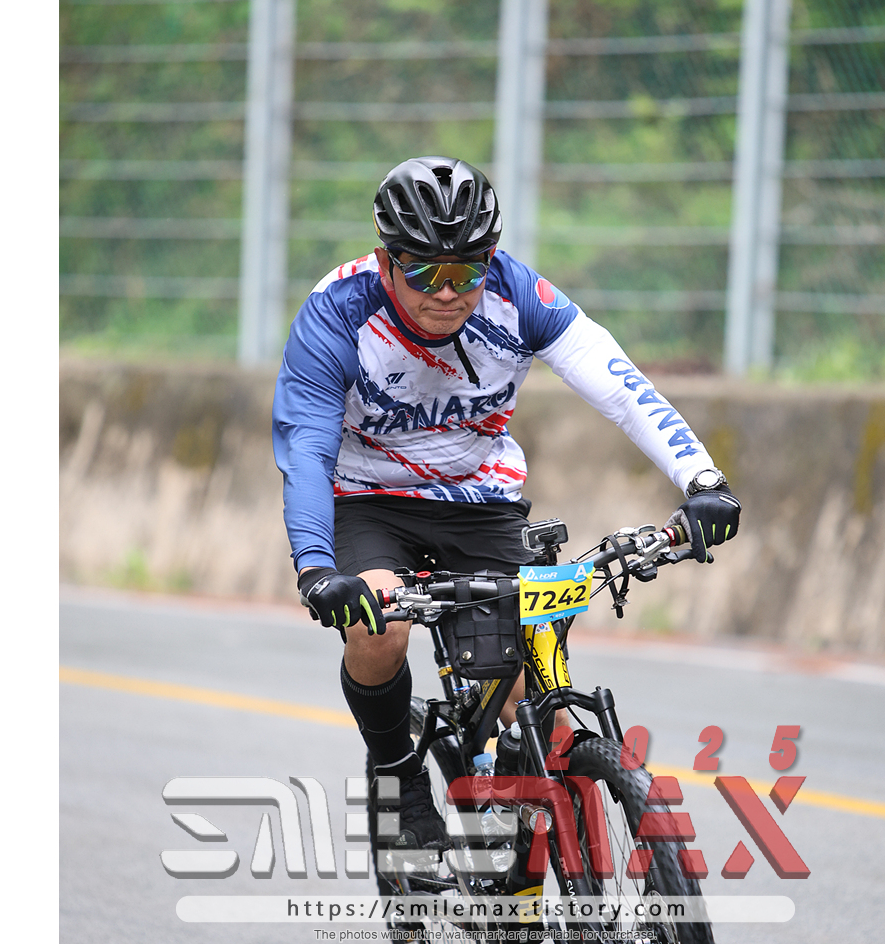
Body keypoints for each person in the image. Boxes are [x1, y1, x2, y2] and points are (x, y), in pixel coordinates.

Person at [272, 156, 741, 849]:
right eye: (424, 272)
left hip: (479, 497)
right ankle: (397, 771)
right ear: (386, 260)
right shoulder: (338, 312)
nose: (447, 292)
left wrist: (702, 480)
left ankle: (550, 856)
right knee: (380, 626)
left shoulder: (518, 295)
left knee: (535, 700)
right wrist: (315, 567)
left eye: (466, 272)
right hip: (368, 498)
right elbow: (306, 448)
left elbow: (620, 387)